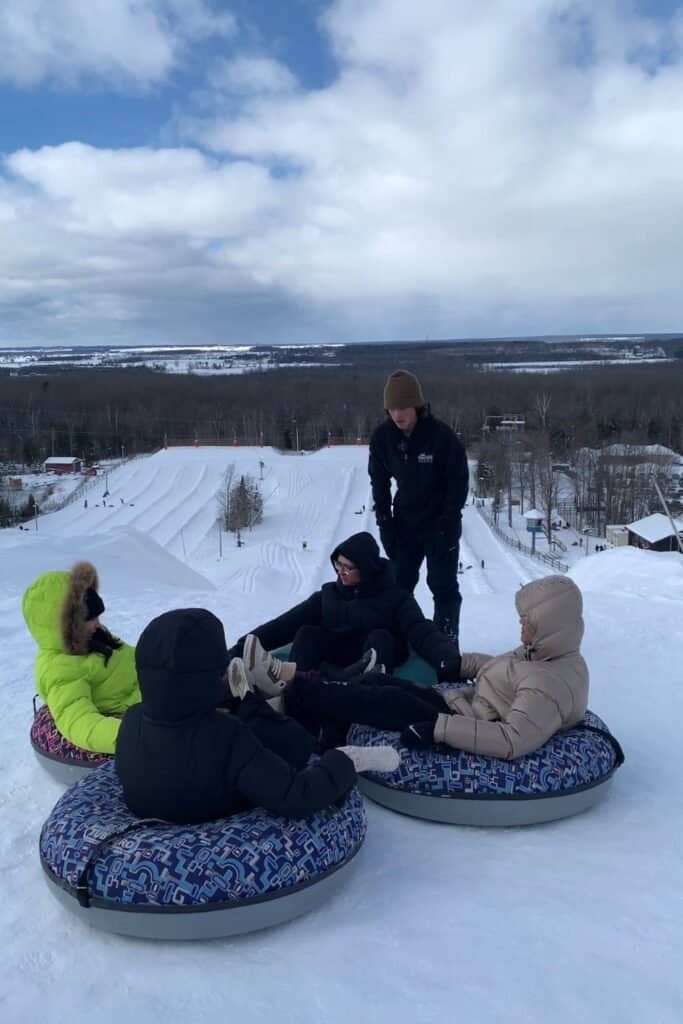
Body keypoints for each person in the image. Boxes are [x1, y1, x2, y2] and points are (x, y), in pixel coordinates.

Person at [235, 576, 589, 763]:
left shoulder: (548, 684)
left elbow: (512, 740)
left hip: (461, 720)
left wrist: (438, 729)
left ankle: (287, 689)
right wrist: (458, 663)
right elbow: (502, 667)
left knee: (379, 698)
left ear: (548, 625)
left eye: (526, 621)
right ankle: (293, 690)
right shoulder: (542, 653)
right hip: (460, 704)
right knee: (375, 680)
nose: (520, 627)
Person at [115, 608, 398, 824]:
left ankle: (249, 693)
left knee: (255, 719)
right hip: (221, 803)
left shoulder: (132, 720)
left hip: (179, 786)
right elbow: (297, 796)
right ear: (209, 676)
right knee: (293, 740)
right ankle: (251, 694)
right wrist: (346, 760)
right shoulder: (225, 736)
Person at [227, 531, 462, 683]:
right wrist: (242, 648)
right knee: (306, 632)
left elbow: (419, 629)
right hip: (338, 655)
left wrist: (448, 657)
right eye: (337, 565)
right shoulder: (329, 594)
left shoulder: (396, 597)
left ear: (367, 569)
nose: (340, 572)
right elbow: (284, 625)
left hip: (374, 655)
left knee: (380, 637)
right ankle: (299, 689)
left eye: (347, 568)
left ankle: (362, 684)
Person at [368, 369, 469, 642]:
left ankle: (446, 644)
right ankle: (399, 641)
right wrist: (385, 522)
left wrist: (447, 525)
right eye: (391, 408)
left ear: (417, 405)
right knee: (399, 587)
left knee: (443, 586)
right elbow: (379, 482)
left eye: (403, 407)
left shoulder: (440, 437)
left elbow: (458, 483)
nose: (397, 414)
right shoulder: (383, 438)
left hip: (440, 523)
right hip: (405, 524)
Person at [22, 561, 140, 754]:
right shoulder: (60, 668)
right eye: (89, 619)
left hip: (148, 696)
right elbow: (81, 722)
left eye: (97, 617)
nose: (98, 624)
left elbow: (136, 659)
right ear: (66, 625)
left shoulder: (96, 639)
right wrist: (137, 736)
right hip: (129, 720)